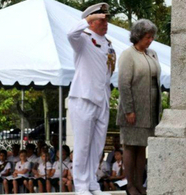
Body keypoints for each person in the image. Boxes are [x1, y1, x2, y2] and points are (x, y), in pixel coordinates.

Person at [67, 2, 116, 195]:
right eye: (101, 20)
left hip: (102, 99)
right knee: (82, 144)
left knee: (97, 146)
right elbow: (70, 34)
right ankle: (80, 185)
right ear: (92, 21)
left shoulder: (109, 44)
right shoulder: (83, 40)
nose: (106, 24)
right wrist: (87, 21)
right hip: (83, 97)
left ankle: (92, 182)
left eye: (107, 20)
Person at [116, 19, 161, 195]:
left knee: (142, 146)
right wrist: (129, 110)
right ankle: (130, 185)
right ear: (138, 36)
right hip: (133, 109)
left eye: (152, 37)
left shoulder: (152, 54)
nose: (150, 40)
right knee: (130, 146)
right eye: (147, 37)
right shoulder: (128, 55)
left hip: (149, 110)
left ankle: (140, 184)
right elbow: (123, 84)